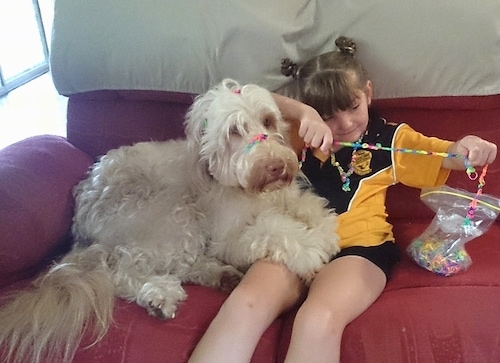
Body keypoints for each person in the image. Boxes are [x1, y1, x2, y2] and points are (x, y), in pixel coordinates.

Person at [188, 36, 497, 363]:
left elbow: (445, 154)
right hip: (296, 241)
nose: (346, 124)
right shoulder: (292, 133)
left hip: (360, 250)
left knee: (316, 319)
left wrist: (469, 146)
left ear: (368, 92)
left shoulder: (391, 139)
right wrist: (303, 112)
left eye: (353, 107)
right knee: (244, 304)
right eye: (329, 116)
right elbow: (240, 96)